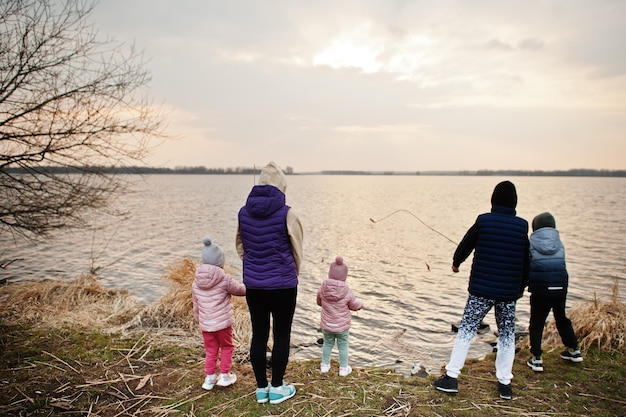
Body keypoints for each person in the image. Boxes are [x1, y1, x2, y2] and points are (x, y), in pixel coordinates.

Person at [433, 180, 529, 400]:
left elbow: (466, 243)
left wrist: (456, 262)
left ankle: (451, 377)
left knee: (466, 330)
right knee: (506, 335)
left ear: (493, 200)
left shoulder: (484, 221)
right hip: (508, 294)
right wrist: (521, 287)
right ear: (514, 203)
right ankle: (505, 384)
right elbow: (527, 261)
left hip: (480, 291)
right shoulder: (522, 226)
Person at [236, 161, 304, 405]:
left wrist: (254, 266)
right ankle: (277, 387)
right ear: (281, 185)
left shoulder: (243, 212)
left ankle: (260, 389)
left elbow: (240, 246)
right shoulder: (288, 213)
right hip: (283, 285)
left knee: (259, 334)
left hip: (254, 285)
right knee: (282, 334)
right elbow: (297, 250)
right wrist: (293, 273)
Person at [526, 212, 582, 372]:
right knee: (561, 318)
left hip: (541, 288)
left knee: (537, 322)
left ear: (535, 226)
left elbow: (527, 265)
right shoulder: (559, 243)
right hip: (560, 286)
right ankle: (574, 350)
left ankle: (536, 358)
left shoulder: (531, 243)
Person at [192, 236, 246, 391]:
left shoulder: (196, 281)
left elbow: (196, 303)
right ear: (220, 262)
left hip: (206, 325)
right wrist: (251, 285)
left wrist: (198, 318)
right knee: (227, 347)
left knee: (210, 350)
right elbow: (240, 291)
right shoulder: (224, 278)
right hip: (222, 324)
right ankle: (224, 375)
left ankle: (209, 379)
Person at [316, 256, 363, 377]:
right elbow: (354, 305)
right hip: (342, 327)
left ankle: (325, 366)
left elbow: (319, 302)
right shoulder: (346, 290)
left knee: (327, 344)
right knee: (343, 347)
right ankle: (343, 369)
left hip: (327, 325)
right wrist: (360, 304)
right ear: (345, 276)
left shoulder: (323, 288)